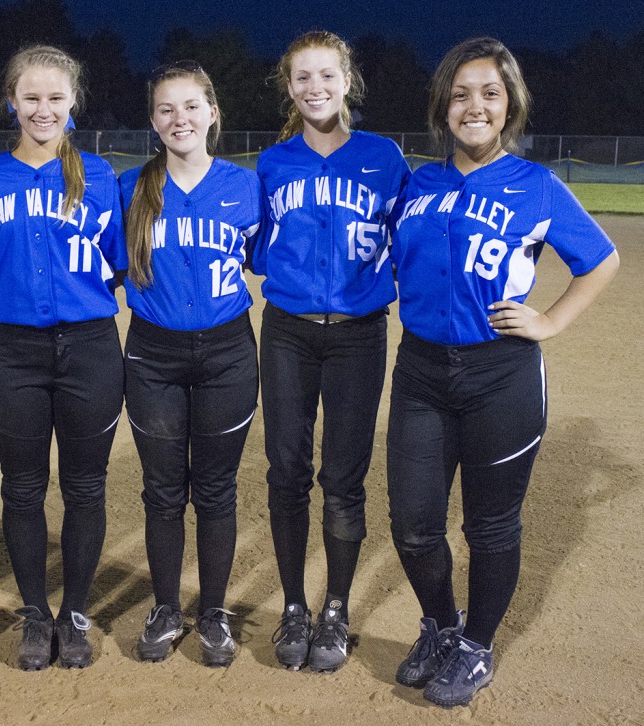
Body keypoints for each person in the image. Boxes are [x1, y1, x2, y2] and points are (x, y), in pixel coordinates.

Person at [387, 37, 619, 708]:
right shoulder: (418, 183)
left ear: (510, 103)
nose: (475, 106)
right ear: (443, 108)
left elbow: (600, 261)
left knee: (490, 525)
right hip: (422, 372)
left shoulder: (536, 184)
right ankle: (440, 625)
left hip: (501, 375)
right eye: (460, 94)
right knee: (414, 523)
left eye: (490, 93)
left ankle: (476, 646)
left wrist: (548, 322)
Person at [0, 45, 127, 671]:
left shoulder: (101, 176)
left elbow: (113, 262)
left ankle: (75, 612)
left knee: (86, 486)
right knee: (24, 488)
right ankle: (36, 612)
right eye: (30, 97)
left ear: (73, 103)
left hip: (89, 347)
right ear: (12, 101)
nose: (42, 108)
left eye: (55, 97)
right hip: (14, 351)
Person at [252, 31, 410, 672]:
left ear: (347, 81)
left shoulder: (384, 156)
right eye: (301, 77)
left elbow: (412, 238)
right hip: (287, 328)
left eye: (326, 75)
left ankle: (336, 609)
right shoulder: (273, 162)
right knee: (286, 470)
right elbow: (255, 245)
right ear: (288, 88)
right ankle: (294, 606)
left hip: (357, 334)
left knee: (343, 477)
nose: (314, 87)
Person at [118, 61, 261, 667]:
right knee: (161, 491)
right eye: (166, 109)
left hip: (229, 352)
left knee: (217, 489)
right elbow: (106, 262)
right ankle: (167, 607)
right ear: (153, 120)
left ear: (212, 113)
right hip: (153, 354)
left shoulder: (246, 186)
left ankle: (214, 611)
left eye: (191, 107)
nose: (180, 119)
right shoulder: (129, 188)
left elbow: (264, 258)